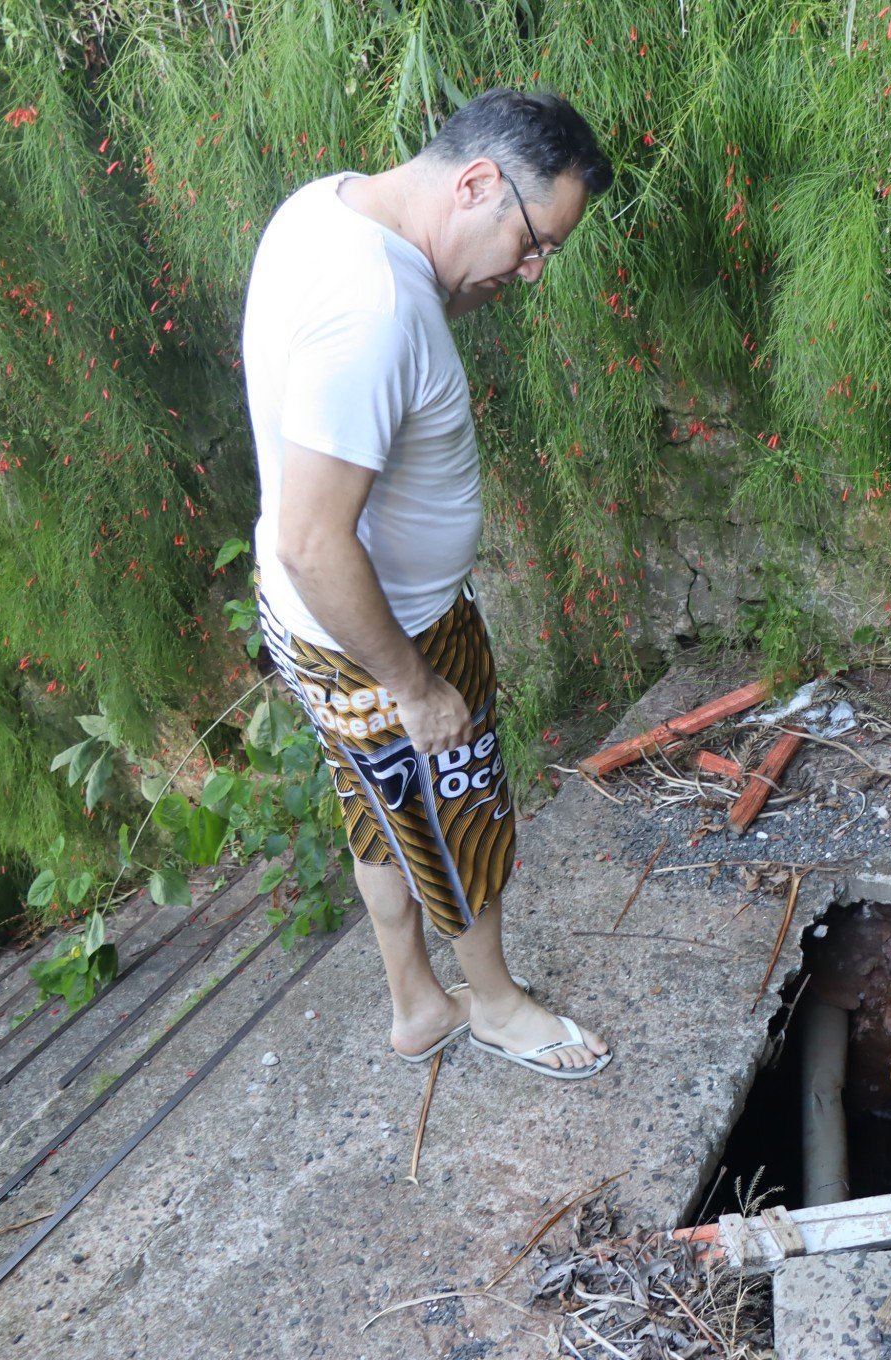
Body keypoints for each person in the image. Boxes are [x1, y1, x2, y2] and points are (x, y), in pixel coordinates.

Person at [241, 90, 613, 1078]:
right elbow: (316, 539)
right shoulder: (374, 311)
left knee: (377, 809)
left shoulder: (324, 209)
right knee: (462, 822)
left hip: (318, 635)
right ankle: (493, 1004)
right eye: (535, 242)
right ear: (478, 182)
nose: (531, 273)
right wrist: (412, 680)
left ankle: (417, 1004)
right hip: (381, 635)